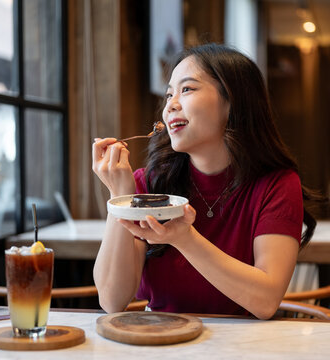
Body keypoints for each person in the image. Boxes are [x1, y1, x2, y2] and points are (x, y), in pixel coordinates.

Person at [92, 43, 318, 319]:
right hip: (161, 344)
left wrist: (184, 238)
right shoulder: (148, 184)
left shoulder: (277, 185)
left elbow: (266, 300)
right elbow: (111, 299)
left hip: (243, 346)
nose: (170, 105)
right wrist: (121, 196)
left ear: (232, 101)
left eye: (187, 89)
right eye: (168, 94)